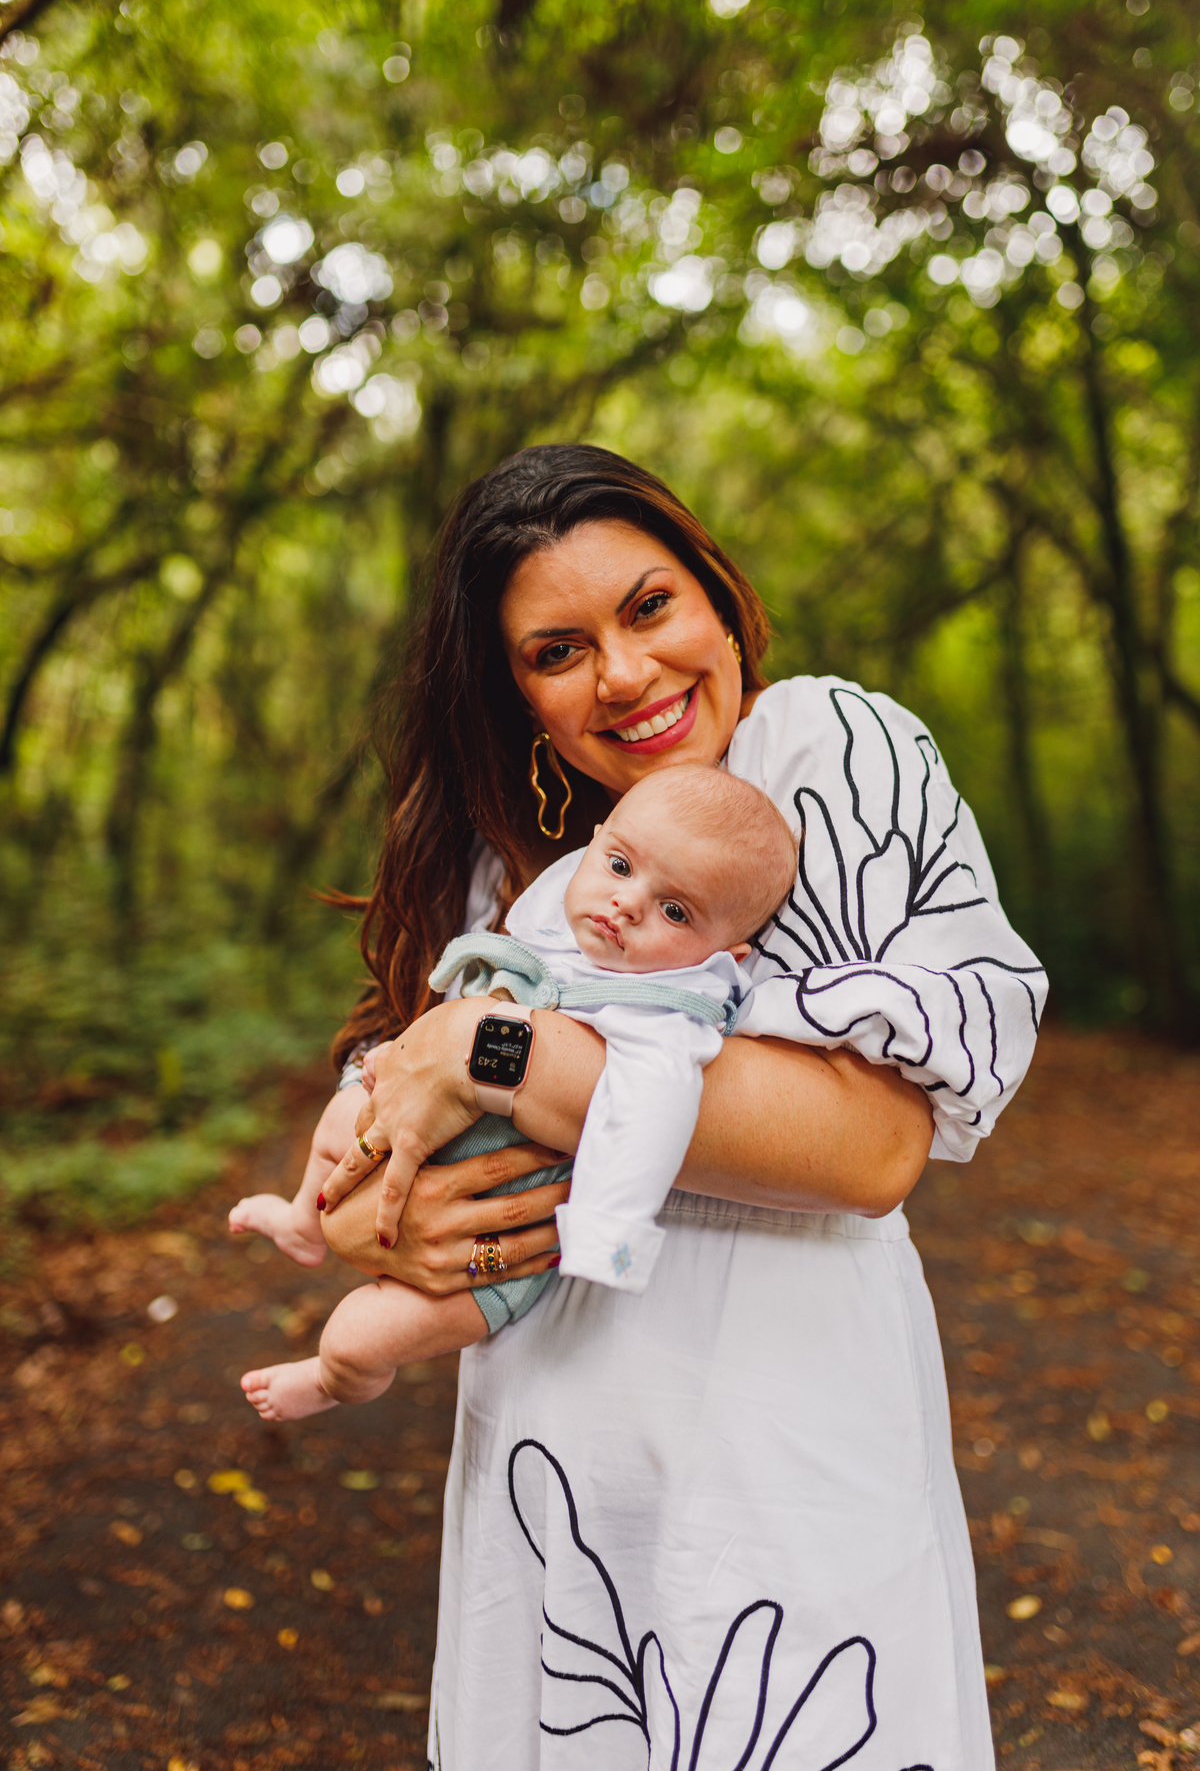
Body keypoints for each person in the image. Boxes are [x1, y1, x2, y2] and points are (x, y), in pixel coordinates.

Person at [312, 445, 1046, 1771]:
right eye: (558, 649)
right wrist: (385, 1231)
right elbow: (378, 1165)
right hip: (550, 1445)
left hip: (783, 1418)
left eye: (650, 609)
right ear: (517, 690)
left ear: (716, 593)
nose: (627, 675)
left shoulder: (816, 749)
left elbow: (873, 1147)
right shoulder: (515, 859)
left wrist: (496, 1054)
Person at [238, 765, 796, 1423]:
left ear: (721, 957)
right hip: (418, 1137)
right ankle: (304, 1218)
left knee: (356, 1337)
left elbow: (652, 1118)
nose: (627, 905)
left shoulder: (661, 1014)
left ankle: (334, 1380)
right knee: (338, 1119)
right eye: (618, 867)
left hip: (504, 1229)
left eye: (675, 911)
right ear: (593, 846)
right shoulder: (552, 924)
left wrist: (604, 1238)